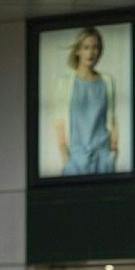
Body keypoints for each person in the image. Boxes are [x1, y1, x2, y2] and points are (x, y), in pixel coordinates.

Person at [54, 27, 118, 176]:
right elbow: (59, 122)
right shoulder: (64, 84)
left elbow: (112, 118)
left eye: (95, 48)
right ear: (78, 51)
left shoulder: (107, 81)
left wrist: (114, 151)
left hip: (102, 156)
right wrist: (65, 156)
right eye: (86, 47)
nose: (91, 52)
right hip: (76, 157)